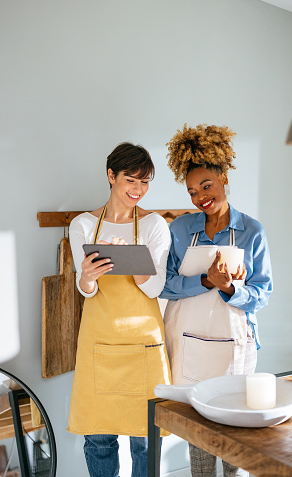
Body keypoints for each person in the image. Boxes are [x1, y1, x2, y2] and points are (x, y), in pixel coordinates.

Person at [160, 124, 273, 477]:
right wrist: (206, 280)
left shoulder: (252, 231)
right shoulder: (180, 229)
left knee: (233, 435)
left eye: (205, 186)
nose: (199, 198)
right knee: (199, 437)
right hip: (189, 347)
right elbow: (164, 285)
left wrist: (230, 289)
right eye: (192, 191)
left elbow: (262, 293)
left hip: (234, 347)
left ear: (224, 175)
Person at [67, 142, 171, 477]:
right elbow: (86, 291)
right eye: (131, 180)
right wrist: (87, 276)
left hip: (144, 344)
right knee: (98, 439)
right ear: (111, 176)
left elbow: (155, 288)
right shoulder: (83, 225)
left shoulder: (155, 226)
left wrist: (134, 259)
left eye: (145, 182)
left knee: (145, 439)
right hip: (99, 343)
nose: (138, 189)